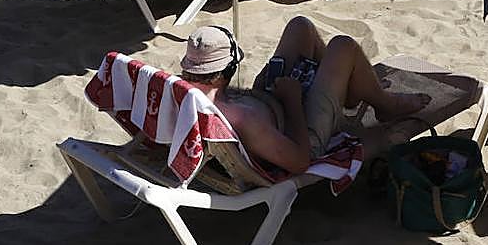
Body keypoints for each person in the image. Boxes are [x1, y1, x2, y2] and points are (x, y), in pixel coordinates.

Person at [179, 18, 430, 174]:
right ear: (227, 71)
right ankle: (385, 103)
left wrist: (260, 92)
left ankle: (349, 86)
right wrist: (292, 100)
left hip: (269, 104)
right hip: (302, 132)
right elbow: (300, 161)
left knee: (300, 28)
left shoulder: (185, 94)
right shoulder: (245, 120)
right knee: (343, 45)